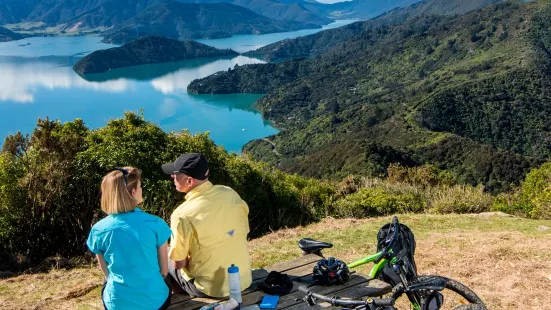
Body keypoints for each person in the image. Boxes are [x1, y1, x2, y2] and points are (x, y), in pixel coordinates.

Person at [162, 153, 252, 298]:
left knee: (162, 254)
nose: (172, 177)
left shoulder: (182, 215)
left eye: (175, 174)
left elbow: (179, 264)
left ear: (189, 181)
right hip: (243, 280)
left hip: (210, 289)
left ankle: (177, 296)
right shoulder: (230, 193)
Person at [86, 167, 172, 310]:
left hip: (117, 304)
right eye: (140, 186)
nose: (141, 189)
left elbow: (106, 274)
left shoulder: (98, 229)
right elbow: (164, 272)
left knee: (108, 285)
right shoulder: (155, 223)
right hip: (154, 302)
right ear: (133, 193)